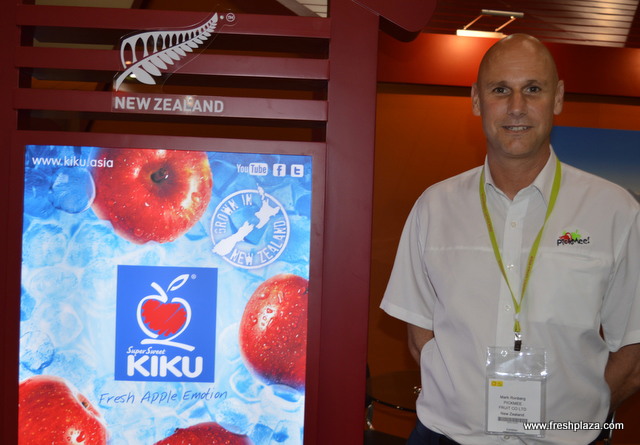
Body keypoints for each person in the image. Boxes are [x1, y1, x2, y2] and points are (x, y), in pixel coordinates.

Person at [380, 34, 640, 444]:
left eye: (532, 89)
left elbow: (633, 349)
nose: (516, 106)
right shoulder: (434, 207)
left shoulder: (615, 211)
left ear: (557, 98)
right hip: (446, 437)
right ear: (476, 100)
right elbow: (419, 336)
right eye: (500, 90)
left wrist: (578, 416)